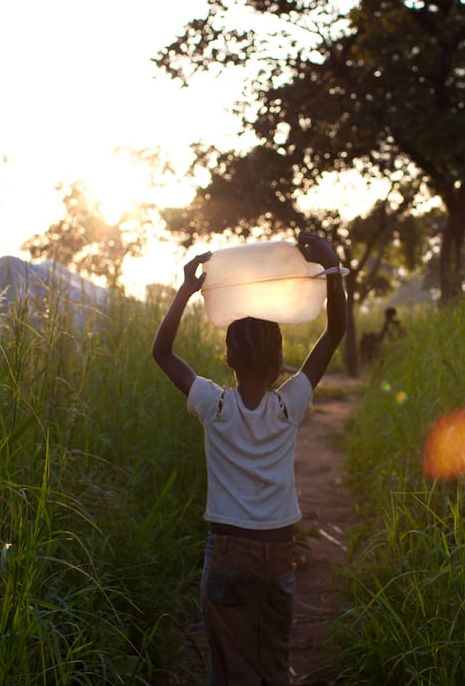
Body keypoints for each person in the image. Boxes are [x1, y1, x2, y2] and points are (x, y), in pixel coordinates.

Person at [151, 231, 347, 685]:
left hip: (228, 554)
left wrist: (186, 289)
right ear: (280, 359)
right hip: (279, 552)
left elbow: (162, 353)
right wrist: (332, 265)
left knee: (233, 671)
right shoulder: (289, 404)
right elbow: (334, 331)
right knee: (274, 663)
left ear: (229, 358)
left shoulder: (213, 405)